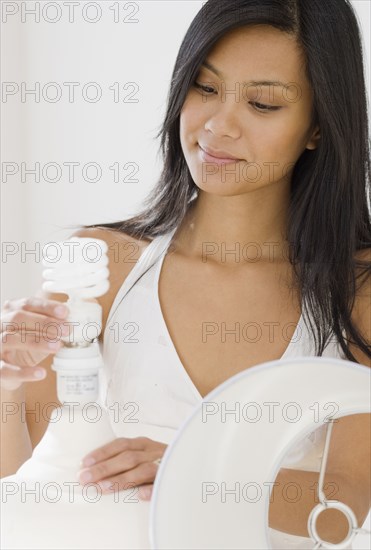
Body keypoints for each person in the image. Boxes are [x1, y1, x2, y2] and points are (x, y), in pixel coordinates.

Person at [1, 0, 370, 546]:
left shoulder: (356, 288)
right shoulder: (106, 264)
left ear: (318, 126)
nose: (219, 126)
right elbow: (14, 467)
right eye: (203, 87)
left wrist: (195, 470)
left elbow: (343, 500)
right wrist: (8, 379)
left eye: (263, 103)